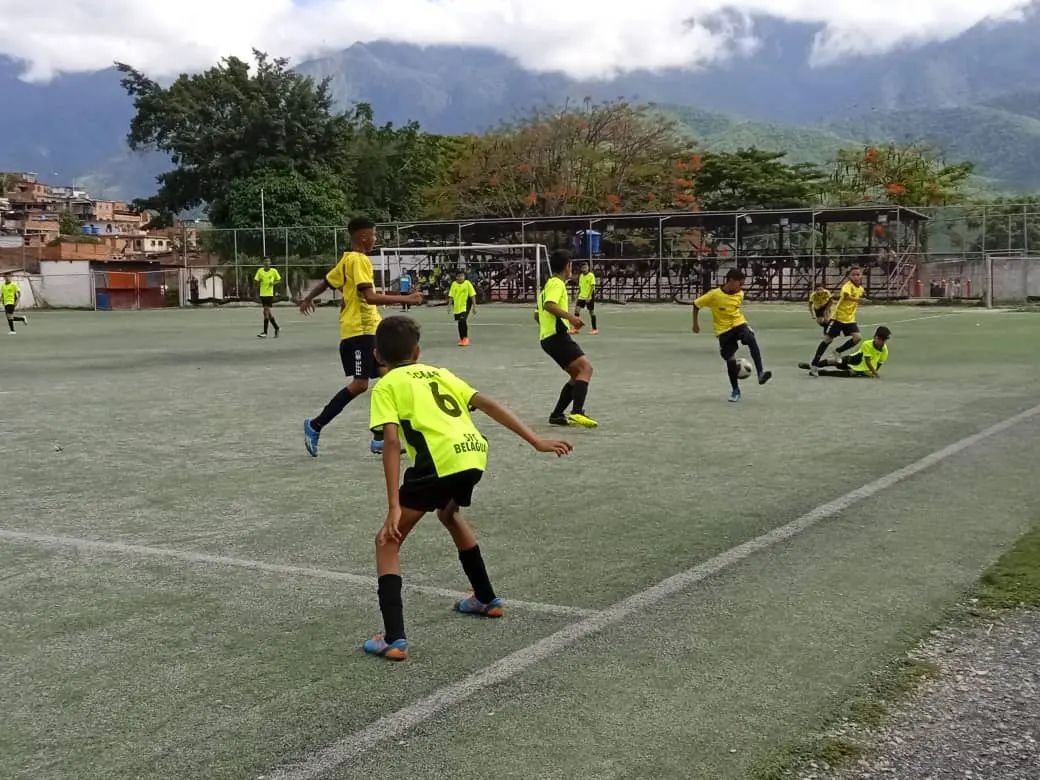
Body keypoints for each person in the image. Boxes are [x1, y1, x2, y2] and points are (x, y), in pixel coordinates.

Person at [363, 316, 573, 660]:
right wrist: (535, 440)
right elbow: (488, 403)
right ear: (417, 351)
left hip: (439, 461)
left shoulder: (386, 385)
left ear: (377, 356)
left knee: (387, 540)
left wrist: (393, 506)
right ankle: (485, 598)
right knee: (449, 512)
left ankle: (393, 637)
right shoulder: (439, 373)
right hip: (473, 454)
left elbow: (389, 442)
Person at [298, 216, 423, 457]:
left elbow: (327, 281)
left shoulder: (347, 259)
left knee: (388, 379)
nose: (376, 239)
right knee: (360, 384)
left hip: (371, 330)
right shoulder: (358, 261)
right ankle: (315, 425)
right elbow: (370, 297)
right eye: (374, 235)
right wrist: (406, 299)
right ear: (364, 237)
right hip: (359, 332)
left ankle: (379, 438)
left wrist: (308, 298)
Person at [692, 268, 772, 403]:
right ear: (730, 281)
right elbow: (695, 305)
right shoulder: (714, 295)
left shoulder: (740, 294)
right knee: (730, 360)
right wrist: (695, 324)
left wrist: (747, 328)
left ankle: (760, 373)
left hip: (738, 324)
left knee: (751, 339)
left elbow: (736, 311)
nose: (741, 287)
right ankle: (735, 390)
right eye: (739, 283)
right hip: (723, 330)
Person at [537, 250, 597, 428]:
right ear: (567, 266)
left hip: (548, 338)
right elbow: (549, 305)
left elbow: (537, 314)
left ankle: (556, 415)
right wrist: (571, 318)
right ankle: (576, 413)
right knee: (586, 368)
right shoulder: (556, 284)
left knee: (576, 375)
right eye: (571, 265)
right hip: (556, 336)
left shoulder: (548, 285)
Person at [808, 266, 869, 376]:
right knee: (827, 340)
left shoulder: (860, 289)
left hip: (850, 319)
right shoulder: (847, 286)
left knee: (857, 338)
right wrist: (858, 300)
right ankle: (814, 364)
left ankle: (838, 351)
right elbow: (846, 297)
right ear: (849, 276)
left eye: (858, 274)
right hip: (838, 318)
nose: (856, 277)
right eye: (853, 274)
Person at [799, 326, 891, 377]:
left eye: (883, 340)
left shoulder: (885, 350)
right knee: (833, 362)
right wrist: (875, 373)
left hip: (862, 370)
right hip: (852, 360)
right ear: (875, 337)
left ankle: (821, 372)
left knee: (842, 374)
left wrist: (872, 372)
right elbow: (867, 361)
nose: (881, 342)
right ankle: (812, 366)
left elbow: (879, 363)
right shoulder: (867, 344)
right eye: (879, 339)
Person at [448, 269, 477, 347]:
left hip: (466, 304)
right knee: (459, 322)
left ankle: (465, 338)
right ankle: (461, 338)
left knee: (463, 320)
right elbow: (451, 295)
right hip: (457, 306)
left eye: (462, 276)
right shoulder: (454, 284)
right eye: (459, 276)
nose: (460, 277)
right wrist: (449, 306)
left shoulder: (467, 283)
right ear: (456, 277)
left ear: (464, 276)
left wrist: (474, 307)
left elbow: (473, 295)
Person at [254, 259, 282, 338]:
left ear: (270, 262)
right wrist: (258, 285)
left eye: (268, 261)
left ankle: (265, 332)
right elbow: (256, 281)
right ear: (263, 262)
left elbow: (279, 280)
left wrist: (273, 283)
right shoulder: (260, 271)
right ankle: (277, 328)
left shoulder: (273, 271)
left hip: (269, 294)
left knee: (266, 311)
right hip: (262, 294)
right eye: (265, 261)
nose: (267, 263)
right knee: (267, 313)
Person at [573, 262, 599, 335]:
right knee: (576, 311)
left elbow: (592, 286)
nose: (585, 268)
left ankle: (595, 329)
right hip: (581, 296)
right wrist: (577, 293)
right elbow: (580, 287)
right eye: (583, 267)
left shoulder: (591, 275)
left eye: (586, 267)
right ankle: (575, 328)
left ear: (588, 268)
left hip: (589, 297)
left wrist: (589, 296)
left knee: (591, 312)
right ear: (581, 269)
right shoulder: (581, 276)